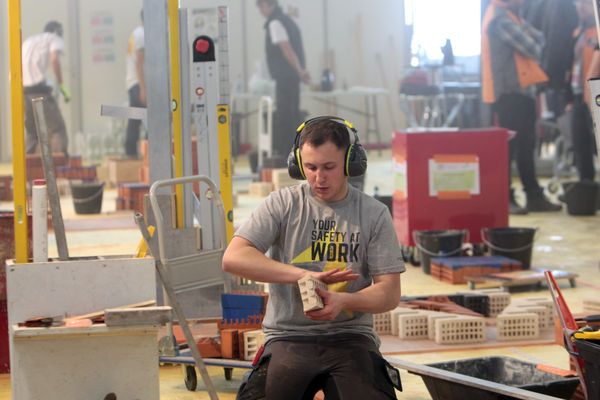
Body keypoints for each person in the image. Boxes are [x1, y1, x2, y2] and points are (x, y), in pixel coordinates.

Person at [222, 116, 404, 399]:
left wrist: (346, 301)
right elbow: (234, 257)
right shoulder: (282, 204)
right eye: (311, 167)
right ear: (298, 164)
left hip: (351, 336)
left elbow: (389, 293)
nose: (319, 177)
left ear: (350, 164)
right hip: (287, 336)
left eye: (330, 167)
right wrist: (302, 275)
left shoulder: (373, 214)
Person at [481, 0, 562, 214]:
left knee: (526, 147)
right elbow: (534, 46)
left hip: (522, 92)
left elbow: (540, 39)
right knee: (508, 149)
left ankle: (533, 195)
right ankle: (503, 199)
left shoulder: (511, 16)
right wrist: (533, 38)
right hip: (508, 95)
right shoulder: (500, 19)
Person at [257, 0, 311, 161]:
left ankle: (286, 158)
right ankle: (298, 155)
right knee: (294, 115)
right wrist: (300, 71)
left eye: (261, 5)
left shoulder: (275, 23)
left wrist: (301, 72)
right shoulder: (287, 21)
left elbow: (287, 50)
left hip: (285, 78)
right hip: (292, 78)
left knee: (285, 118)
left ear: (269, 4)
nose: (260, 10)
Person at [22, 20, 70, 156]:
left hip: (24, 92)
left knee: (32, 132)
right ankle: (59, 166)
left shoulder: (29, 41)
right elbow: (54, 59)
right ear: (57, 32)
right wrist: (62, 86)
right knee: (57, 129)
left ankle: (30, 167)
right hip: (40, 90)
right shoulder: (54, 38)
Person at [566, 0, 599, 182]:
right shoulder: (578, 32)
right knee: (580, 143)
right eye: (579, 4)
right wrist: (569, 98)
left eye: (585, 4)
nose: (581, 9)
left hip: (595, 95)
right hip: (578, 94)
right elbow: (571, 66)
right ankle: (586, 187)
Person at [124, 11, 146, 158]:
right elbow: (139, 62)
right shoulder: (143, 34)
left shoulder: (137, 33)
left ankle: (133, 152)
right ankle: (135, 153)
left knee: (136, 119)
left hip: (135, 83)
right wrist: (144, 88)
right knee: (143, 119)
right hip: (139, 84)